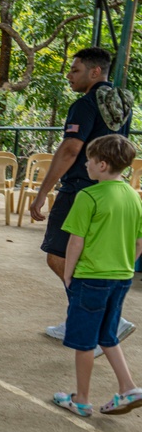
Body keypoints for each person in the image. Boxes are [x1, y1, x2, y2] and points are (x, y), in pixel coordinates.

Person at [29, 47, 135, 347]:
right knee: (87, 257)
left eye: (75, 70)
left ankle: (95, 316)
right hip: (110, 190)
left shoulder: (85, 105)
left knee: (57, 255)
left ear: (95, 72)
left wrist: (41, 194)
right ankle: (86, 317)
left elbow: (70, 149)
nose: (69, 75)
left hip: (79, 190)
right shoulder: (122, 105)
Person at [52, 135, 142, 417]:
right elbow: (139, 242)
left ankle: (81, 399)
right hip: (121, 277)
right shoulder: (133, 195)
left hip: (91, 277)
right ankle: (128, 387)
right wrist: (126, 264)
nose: (86, 165)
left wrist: (68, 274)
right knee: (107, 334)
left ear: (102, 165)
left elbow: (75, 241)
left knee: (84, 341)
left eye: (89, 160)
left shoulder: (88, 196)